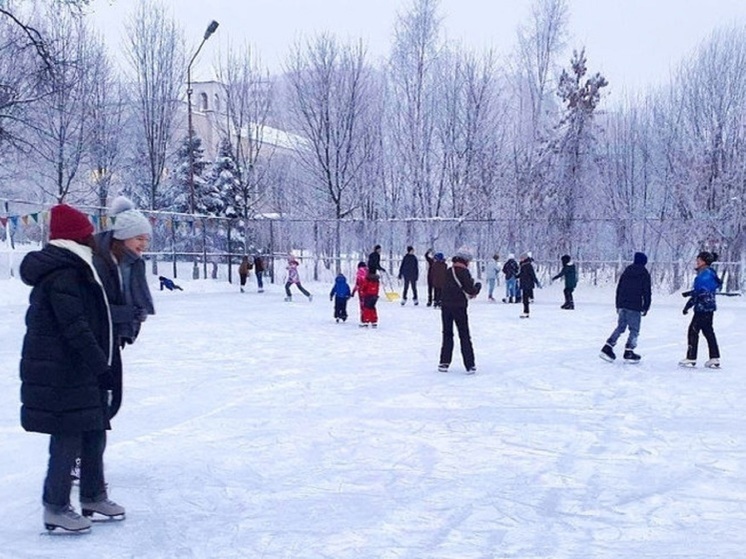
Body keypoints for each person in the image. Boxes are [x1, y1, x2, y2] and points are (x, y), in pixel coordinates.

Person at [20, 203, 122, 533]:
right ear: (78, 237)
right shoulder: (65, 273)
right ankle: (56, 506)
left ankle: (92, 495)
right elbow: (75, 326)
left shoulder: (75, 267)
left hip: (76, 369)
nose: (93, 237)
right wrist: (99, 364)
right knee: (67, 436)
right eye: (88, 233)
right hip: (62, 371)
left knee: (93, 431)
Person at [93, 196, 155, 423]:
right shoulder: (100, 261)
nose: (144, 245)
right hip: (96, 340)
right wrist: (127, 313)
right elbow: (93, 307)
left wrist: (136, 315)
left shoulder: (131, 262)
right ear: (122, 237)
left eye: (146, 239)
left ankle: (90, 455)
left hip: (114, 338)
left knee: (111, 400)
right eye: (139, 238)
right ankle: (84, 458)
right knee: (103, 401)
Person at [599, 252, 651, 363]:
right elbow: (647, 291)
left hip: (623, 304)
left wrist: (618, 304)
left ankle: (608, 346)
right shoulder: (644, 273)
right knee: (634, 329)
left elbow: (619, 288)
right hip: (635, 305)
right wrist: (646, 306)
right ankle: (629, 351)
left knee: (621, 327)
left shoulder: (627, 271)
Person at [438, 249, 481, 374]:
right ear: (465, 260)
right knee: (464, 334)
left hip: (445, 306)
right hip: (459, 307)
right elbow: (470, 290)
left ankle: (444, 362)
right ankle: (469, 364)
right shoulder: (464, 272)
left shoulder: (448, 271)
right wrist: (477, 287)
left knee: (447, 334)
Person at [679, 251, 722, 368]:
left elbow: (699, 293)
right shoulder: (710, 273)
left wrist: (688, 305)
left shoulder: (703, 275)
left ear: (703, 262)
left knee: (693, 330)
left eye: (698, 260)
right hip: (709, 307)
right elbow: (706, 290)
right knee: (708, 331)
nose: (696, 262)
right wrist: (690, 294)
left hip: (702, 308)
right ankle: (714, 357)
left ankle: (691, 357)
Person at [517, 252, 540, 318]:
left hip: (527, 284)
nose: (520, 259)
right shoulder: (523, 265)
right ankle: (525, 311)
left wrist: (536, 282)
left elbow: (532, 274)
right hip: (524, 283)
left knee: (525, 299)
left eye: (521, 258)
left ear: (524, 258)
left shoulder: (528, 265)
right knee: (524, 299)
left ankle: (526, 312)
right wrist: (516, 276)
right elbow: (521, 274)